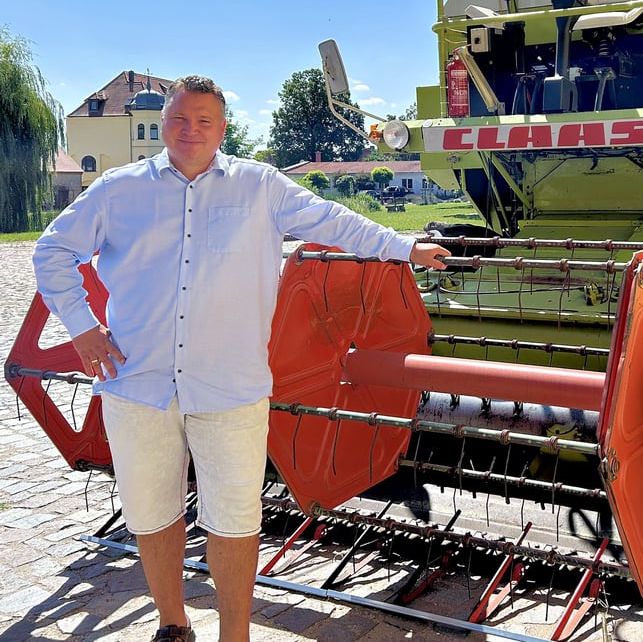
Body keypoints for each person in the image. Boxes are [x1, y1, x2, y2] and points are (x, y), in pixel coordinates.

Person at [33, 75, 450, 642]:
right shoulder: (117, 191)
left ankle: (236, 634)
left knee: (235, 518)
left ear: (223, 128)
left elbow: (334, 221)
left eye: (204, 121)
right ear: (165, 124)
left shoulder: (261, 187)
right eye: (179, 119)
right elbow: (53, 250)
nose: (189, 130)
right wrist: (81, 327)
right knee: (153, 514)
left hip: (231, 389)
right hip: (137, 384)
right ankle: (173, 624)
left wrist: (404, 247)